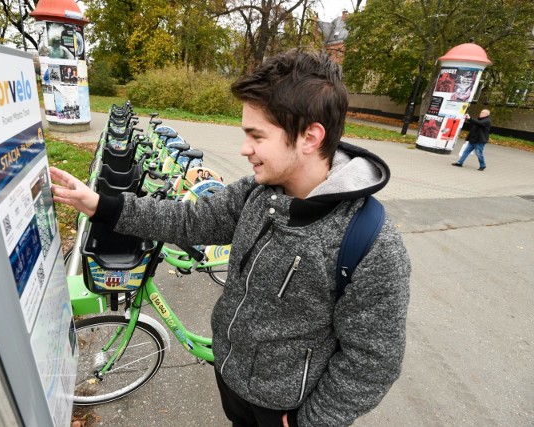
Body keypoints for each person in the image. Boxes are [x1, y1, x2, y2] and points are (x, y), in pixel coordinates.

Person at [50, 49, 411, 427]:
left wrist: (313, 421)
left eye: (257, 135)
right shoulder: (258, 192)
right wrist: (101, 205)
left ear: (310, 136)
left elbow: (374, 359)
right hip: (230, 377)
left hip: (285, 409)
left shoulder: (372, 244)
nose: (244, 148)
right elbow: (190, 221)